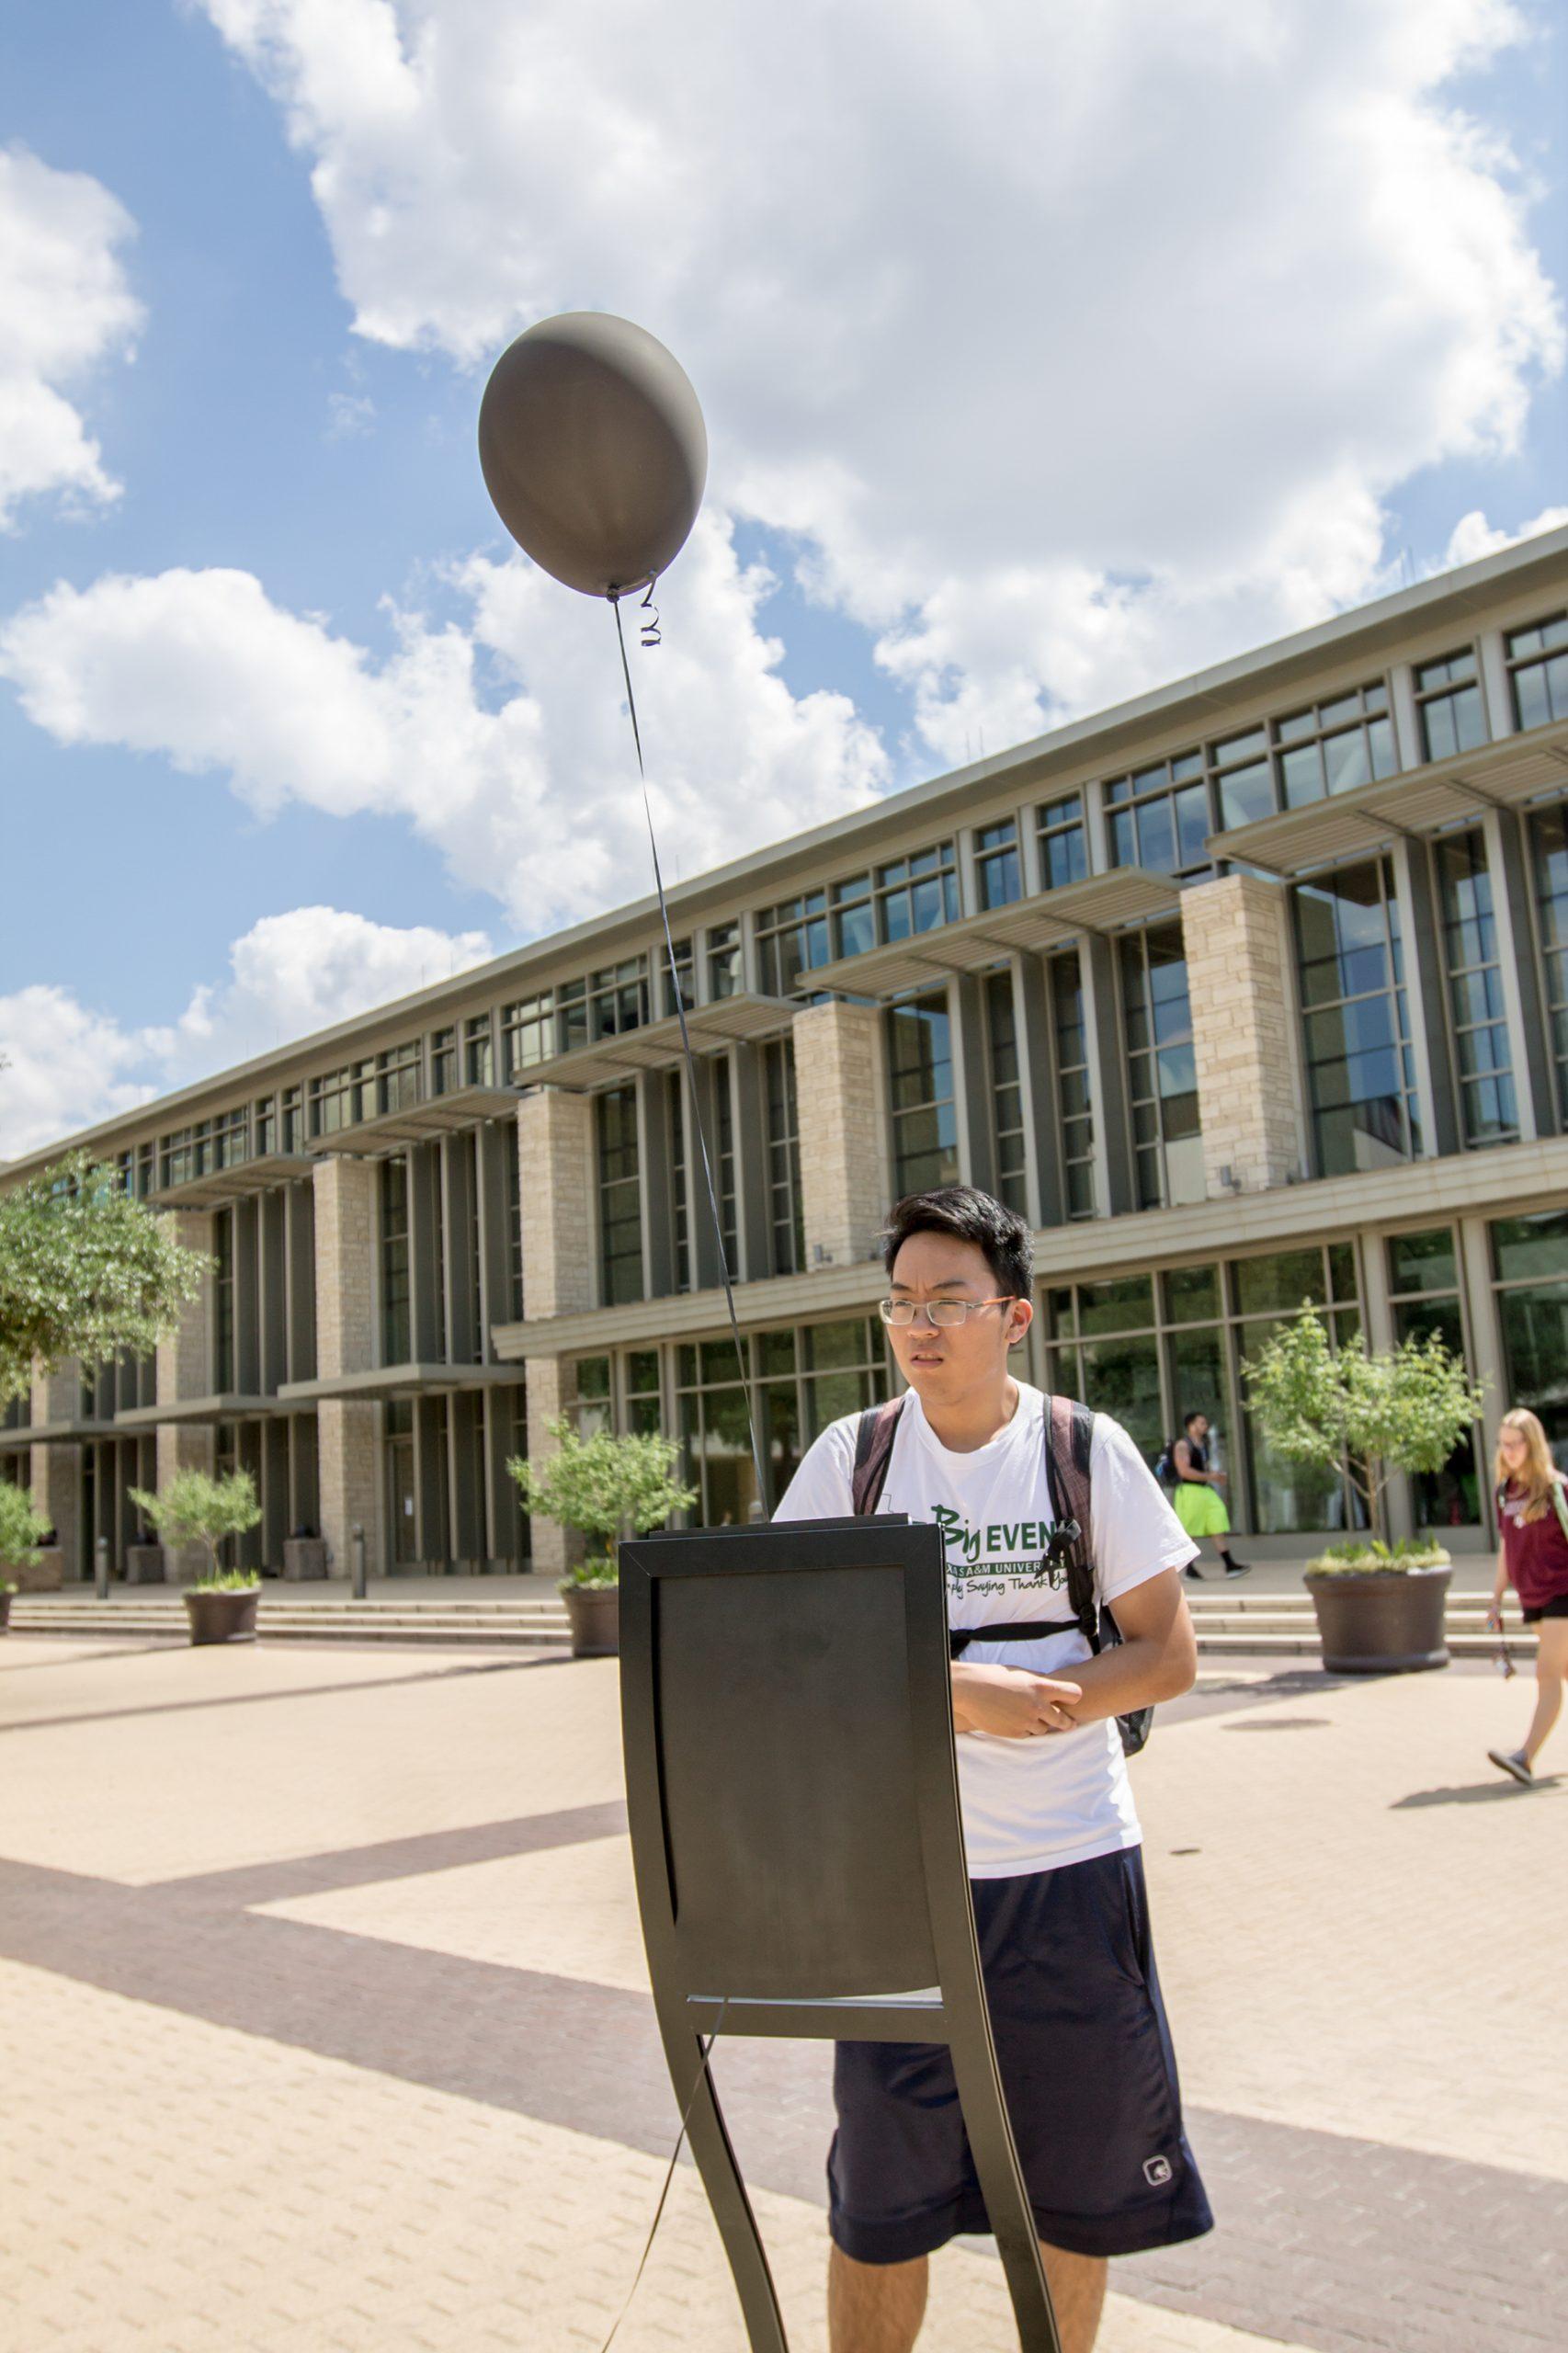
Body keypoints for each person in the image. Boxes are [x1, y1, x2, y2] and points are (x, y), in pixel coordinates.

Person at [776, 1185, 1212, 2353]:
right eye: (900, 1302)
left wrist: (1046, 1704)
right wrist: (959, 1696)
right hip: (898, 1893)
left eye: (949, 1300)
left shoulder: (1080, 1449)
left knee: (1080, 2188)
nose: (920, 1323)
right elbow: (786, 1655)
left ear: (1010, 1318)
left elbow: (1164, 1651)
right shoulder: (849, 1460)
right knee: (879, 2207)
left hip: (1070, 1876)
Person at [1486, 1407, 1568, 1787]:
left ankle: (1526, 1757)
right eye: (1503, 1445)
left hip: (1561, 1593)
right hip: (1531, 1598)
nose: (1507, 1452)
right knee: (1563, 1670)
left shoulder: (1556, 1488)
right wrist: (1496, 1596)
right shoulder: (1506, 1492)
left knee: (1547, 1672)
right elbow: (1507, 1547)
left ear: (1531, 1444)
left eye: (1514, 1444)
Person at [1170, 1412, 1250, 1581]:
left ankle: (1229, 1565)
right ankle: (1189, 1568)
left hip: (1204, 1490)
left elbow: (1201, 1469)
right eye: (1201, 1423)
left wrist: (1214, 1475)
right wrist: (1210, 1477)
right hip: (1189, 1491)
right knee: (1191, 1529)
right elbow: (1184, 1471)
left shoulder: (1203, 1445)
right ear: (1191, 1426)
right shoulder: (1183, 1445)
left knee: (1217, 1522)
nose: (1205, 1426)